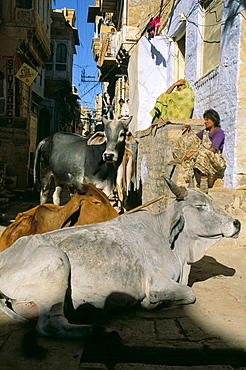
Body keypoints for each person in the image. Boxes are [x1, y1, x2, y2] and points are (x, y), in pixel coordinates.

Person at [171, 109, 226, 193]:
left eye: (207, 119)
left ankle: (204, 181)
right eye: (205, 120)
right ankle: (190, 178)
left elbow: (213, 149)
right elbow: (194, 139)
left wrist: (193, 152)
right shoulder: (205, 132)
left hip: (213, 158)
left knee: (201, 154)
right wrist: (188, 130)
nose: (205, 122)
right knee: (187, 140)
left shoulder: (218, 133)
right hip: (202, 153)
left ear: (214, 120)